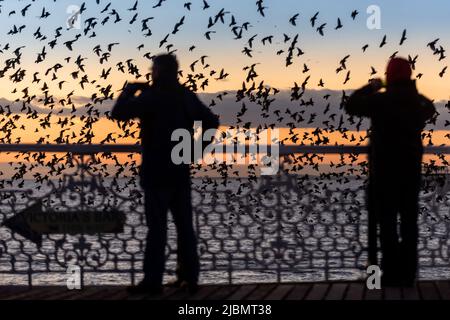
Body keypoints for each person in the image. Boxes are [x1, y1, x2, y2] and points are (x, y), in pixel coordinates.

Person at [111, 54, 220, 294]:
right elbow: (211, 121)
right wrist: (195, 150)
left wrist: (129, 91)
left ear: (159, 71)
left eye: (153, 69)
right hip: (179, 170)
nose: (151, 73)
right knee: (185, 227)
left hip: (156, 172)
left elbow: (117, 114)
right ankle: (189, 279)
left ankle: (152, 282)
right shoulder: (185, 96)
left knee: (157, 229)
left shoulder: (150, 97)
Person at [345, 57, 436, 287]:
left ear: (389, 76)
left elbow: (352, 104)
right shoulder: (417, 104)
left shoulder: (380, 101)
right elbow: (431, 108)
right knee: (409, 225)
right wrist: (413, 90)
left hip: (385, 173)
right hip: (410, 174)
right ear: (409, 76)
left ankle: (391, 275)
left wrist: (373, 86)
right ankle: (407, 277)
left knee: (387, 225)